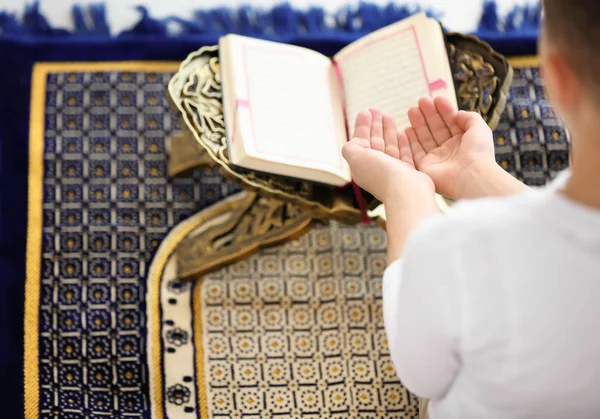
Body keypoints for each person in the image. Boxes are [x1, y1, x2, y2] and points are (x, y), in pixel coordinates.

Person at [341, 1, 600, 418]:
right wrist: (477, 177)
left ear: (558, 80)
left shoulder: (462, 249)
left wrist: (404, 191)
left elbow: (422, 374)